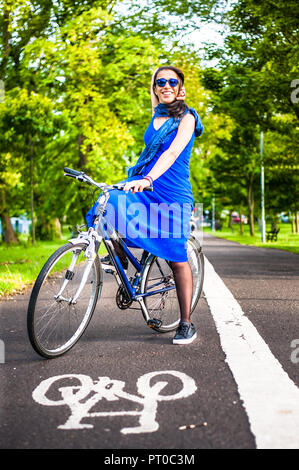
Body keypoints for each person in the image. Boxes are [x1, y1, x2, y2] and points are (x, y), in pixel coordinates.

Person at [86, 65, 203, 344]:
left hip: (171, 193)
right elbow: (152, 142)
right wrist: (139, 179)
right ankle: (121, 257)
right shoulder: (156, 116)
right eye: (160, 82)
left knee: (176, 259)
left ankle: (186, 323)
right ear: (154, 88)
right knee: (107, 201)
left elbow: (173, 152)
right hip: (145, 187)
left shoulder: (187, 117)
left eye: (172, 82)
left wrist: (148, 177)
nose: (165, 85)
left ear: (180, 87)